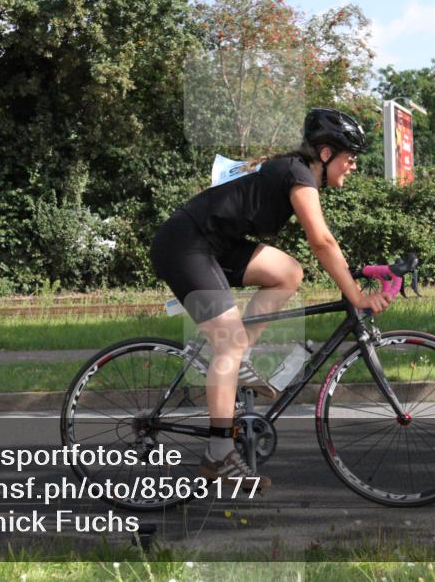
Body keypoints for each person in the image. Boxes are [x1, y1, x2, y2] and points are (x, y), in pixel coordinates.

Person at [148, 108, 393, 488]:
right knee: (226, 345)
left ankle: (239, 358)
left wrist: (356, 273)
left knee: (288, 273)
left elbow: (324, 244)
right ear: (326, 154)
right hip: (185, 246)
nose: (354, 166)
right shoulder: (298, 174)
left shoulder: (296, 172)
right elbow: (322, 240)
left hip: (212, 246)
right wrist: (356, 295)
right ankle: (218, 456)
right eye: (351, 157)